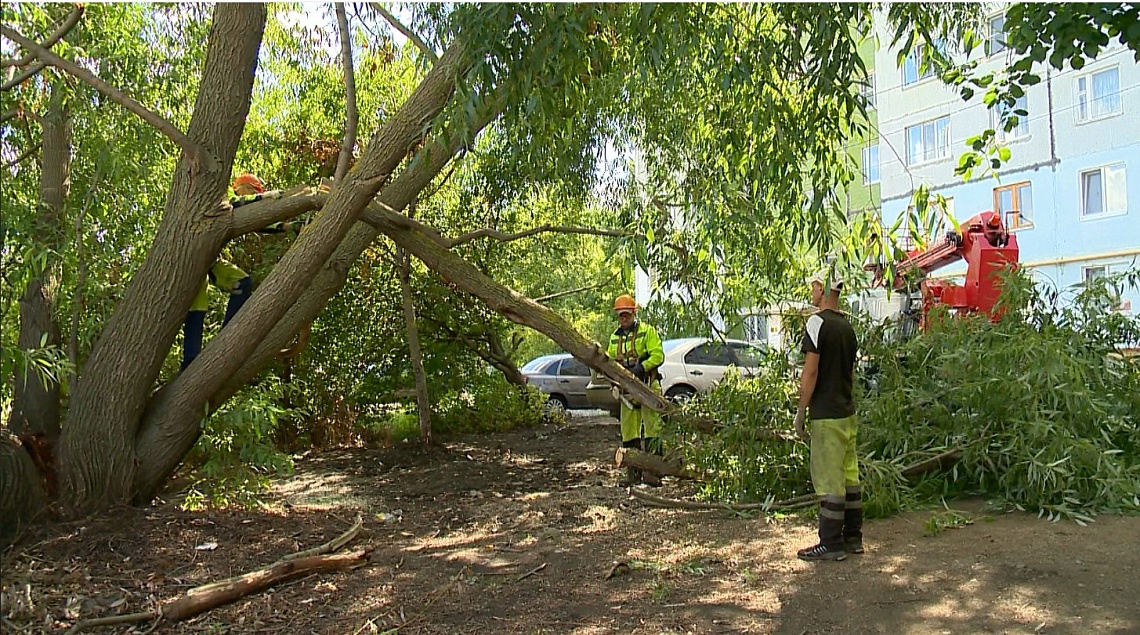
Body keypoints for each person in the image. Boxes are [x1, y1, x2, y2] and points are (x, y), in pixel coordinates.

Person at [794, 267, 861, 561]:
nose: (812, 292)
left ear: (823, 289)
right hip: (847, 412)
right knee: (849, 477)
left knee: (829, 479)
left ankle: (830, 543)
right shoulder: (848, 326)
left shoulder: (816, 323)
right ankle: (853, 538)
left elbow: (811, 371)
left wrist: (800, 411)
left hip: (826, 414)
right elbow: (851, 372)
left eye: (814, 286)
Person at [180, 174, 265, 371]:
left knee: (243, 282)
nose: (253, 195)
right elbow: (242, 202)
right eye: (253, 191)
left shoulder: (243, 206)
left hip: (211, 262)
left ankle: (226, 335)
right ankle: (189, 362)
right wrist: (269, 197)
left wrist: (288, 226)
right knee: (197, 310)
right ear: (244, 188)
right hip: (196, 258)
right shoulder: (227, 203)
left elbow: (264, 224)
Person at [606, 294, 665, 486]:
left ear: (634, 312)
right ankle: (633, 474)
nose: (624, 318)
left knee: (653, 430)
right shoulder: (615, 338)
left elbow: (658, 355)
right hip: (627, 392)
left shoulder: (647, 331)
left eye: (627, 314)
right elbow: (609, 361)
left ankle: (654, 474)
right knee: (629, 432)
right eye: (621, 315)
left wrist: (641, 368)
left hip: (648, 386)